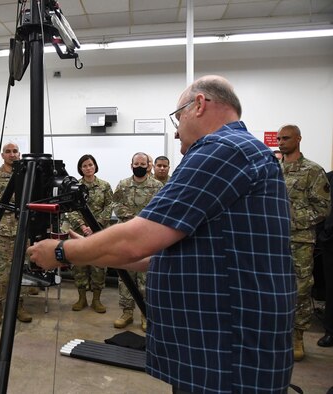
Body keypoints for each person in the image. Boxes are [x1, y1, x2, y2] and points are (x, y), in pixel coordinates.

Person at [28, 75, 296, 393]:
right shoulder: (237, 151)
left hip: (227, 355)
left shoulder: (222, 150)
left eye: (177, 116)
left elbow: (135, 239)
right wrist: (92, 249)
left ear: (198, 105)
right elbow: (178, 256)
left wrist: (60, 254)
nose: (175, 129)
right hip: (221, 348)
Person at [277, 124, 330, 361]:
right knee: (276, 288)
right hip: (274, 240)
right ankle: (278, 334)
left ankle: (297, 337)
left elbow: (322, 208)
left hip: (300, 240)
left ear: (298, 139)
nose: (281, 142)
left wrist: (292, 219)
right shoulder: (275, 170)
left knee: (300, 289)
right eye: (278, 138)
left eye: (286, 138)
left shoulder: (313, 171)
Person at [0, 143, 32, 325]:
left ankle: (19, 305)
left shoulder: (27, 175)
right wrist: (19, 203)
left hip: (22, 229)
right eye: (8, 152)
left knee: (21, 269)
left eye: (15, 151)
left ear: (20, 154)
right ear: (2, 155)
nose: (12, 155)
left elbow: (32, 199)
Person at [112, 152, 162, 329]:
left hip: (148, 237)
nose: (139, 166)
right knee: (125, 275)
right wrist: (134, 220)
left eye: (143, 163)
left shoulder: (157, 186)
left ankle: (145, 314)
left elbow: (160, 208)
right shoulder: (123, 185)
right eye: (136, 163)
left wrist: (142, 223)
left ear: (149, 165)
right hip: (126, 235)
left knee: (146, 277)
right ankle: (126, 312)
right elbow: (116, 205)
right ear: (131, 165)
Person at [65, 154, 113, 314]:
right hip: (80, 231)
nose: (88, 168)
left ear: (95, 166)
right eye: (84, 166)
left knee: (98, 265)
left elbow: (108, 207)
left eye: (90, 165)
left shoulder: (104, 186)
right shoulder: (74, 186)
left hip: (98, 232)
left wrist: (95, 226)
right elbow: (70, 209)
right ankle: (82, 298)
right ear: (80, 169)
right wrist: (83, 226)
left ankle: (96, 300)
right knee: (79, 265)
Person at [316, 170, 333, 348]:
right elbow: (321, 207)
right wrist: (323, 235)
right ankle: (330, 331)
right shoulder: (328, 178)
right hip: (330, 243)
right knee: (331, 289)